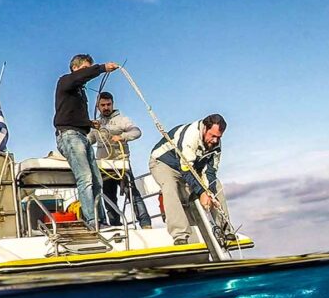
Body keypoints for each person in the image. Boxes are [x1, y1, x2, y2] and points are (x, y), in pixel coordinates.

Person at [53, 54, 118, 230]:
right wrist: (102, 68)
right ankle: (92, 221)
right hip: (69, 135)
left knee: (97, 180)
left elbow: (71, 114)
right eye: (86, 69)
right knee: (86, 178)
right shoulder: (65, 81)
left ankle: (101, 220)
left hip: (82, 135)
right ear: (76, 68)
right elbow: (81, 77)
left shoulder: (80, 92)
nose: (88, 73)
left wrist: (90, 123)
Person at [148, 114, 232, 245]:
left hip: (189, 165)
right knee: (170, 187)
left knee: (216, 185)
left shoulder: (216, 145)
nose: (215, 141)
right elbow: (186, 169)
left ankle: (226, 230)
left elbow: (210, 171)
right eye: (213, 136)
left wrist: (208, 191)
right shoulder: (190, 136)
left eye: (218, 137)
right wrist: (201, 192)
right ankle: (180, 235)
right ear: (204, 129)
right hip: (164, 163)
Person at [89, 92, 151, 228]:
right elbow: (89, 140)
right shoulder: (95, 124)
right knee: (108, 198)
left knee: (132, 194)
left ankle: (145, 223)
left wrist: (122, 136)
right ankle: (116, 226)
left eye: (108, 104)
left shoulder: (122, 119)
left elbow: (137, 132)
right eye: (103, 105)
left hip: (121, 163)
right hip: (103, 167)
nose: (106, 107)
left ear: (112, 104)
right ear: (98, 106)